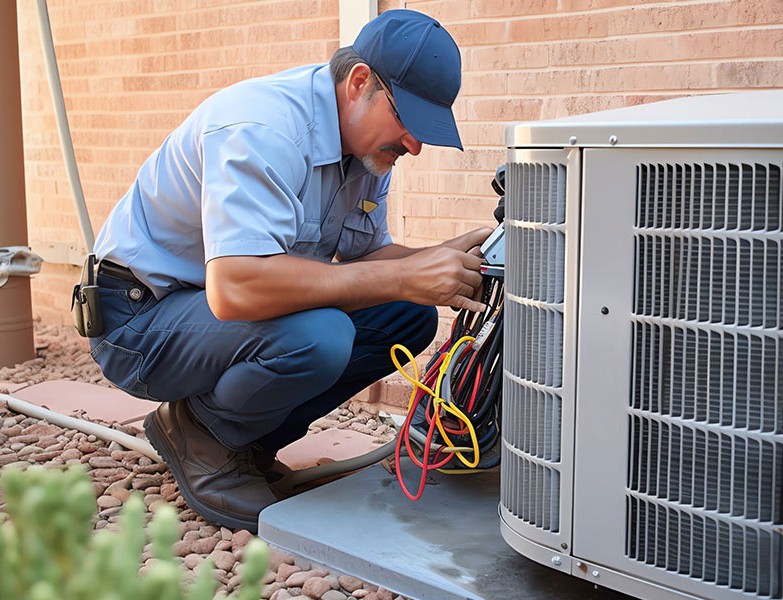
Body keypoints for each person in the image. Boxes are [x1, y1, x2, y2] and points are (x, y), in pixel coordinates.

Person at [89, 9, 492, 532]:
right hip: (139, 319)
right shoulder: (264, 127)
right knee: (319, 336)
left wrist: (440, 258)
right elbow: (237, 289)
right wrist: (401, 276)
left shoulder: (365, 153)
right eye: (406, 121)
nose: (413, 145)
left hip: (213, 316)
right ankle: (202, 434)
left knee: (406, 315)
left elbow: (363, 263)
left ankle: (248, 441)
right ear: (359, 82)